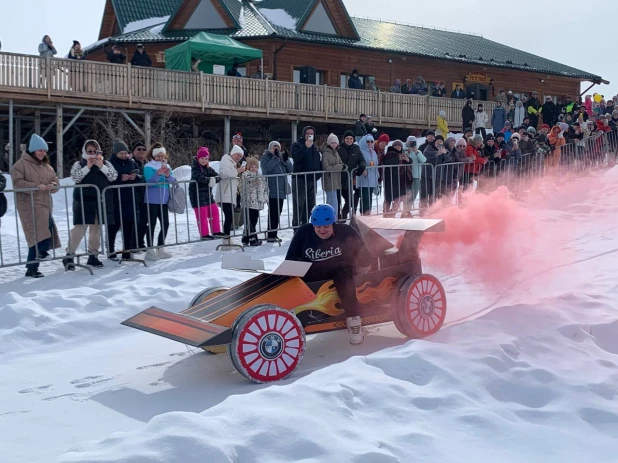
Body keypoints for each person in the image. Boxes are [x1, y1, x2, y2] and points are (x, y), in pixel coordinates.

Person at [285, 204, 372, 345]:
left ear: (333, 224)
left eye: (326, 226)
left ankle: (354, 321)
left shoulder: (346, 232)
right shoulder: (303, 233)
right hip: (313, 275)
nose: (322, 230)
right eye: (318, 226)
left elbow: (364, 254)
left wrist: (362, 273)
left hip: (341, 275)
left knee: (341, 269)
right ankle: (290, 316)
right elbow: (290, 261)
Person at [11, 134, 62, 278]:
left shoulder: (47, 167)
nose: (42, 153)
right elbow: (17, 183)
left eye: (44, 151)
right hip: (29, 205)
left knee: (39, 233)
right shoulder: (20, 165)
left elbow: (56, 182)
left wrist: (52, 185)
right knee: (38, 233)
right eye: (39, 150)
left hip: (44, 204)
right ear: (32, 150)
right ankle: (41, 253)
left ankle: (32, 267)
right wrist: (35, 187)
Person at [65, 140, 117, 269]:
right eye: (90, 151)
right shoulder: (79, 164)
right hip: (83, 201)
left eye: (95, 151)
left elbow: (113, 176)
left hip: (100, 201)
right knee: (79, 229)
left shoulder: (106, 163)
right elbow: (75, 177)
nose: (93, 154)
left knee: (96, 230)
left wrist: (102, 166)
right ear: (85, 152)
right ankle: (69, 255)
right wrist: (87, 167)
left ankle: (93, 255)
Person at [107, 140, 143, 260]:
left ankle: (127, 251)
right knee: (114, 225)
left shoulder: (132, 163)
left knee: (129, 225)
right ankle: (111, 249)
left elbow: (140, 176)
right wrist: (119, 178)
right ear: (116, 153)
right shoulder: (110, 163)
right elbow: (108, 178)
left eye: (125, 153)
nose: (123, 155)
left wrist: (135, 177)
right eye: (120, 153)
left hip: (130, 198)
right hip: (115, 198)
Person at [143, 143, 176, 260]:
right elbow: (149, 181)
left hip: (164, 200)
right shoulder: (148, 166)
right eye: (158, 156)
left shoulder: (168, 166)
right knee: (151, 224)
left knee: (165, 224)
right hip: (151, 200)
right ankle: (150, 250)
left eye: (162, 156)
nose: (161, 158)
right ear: (153, 156)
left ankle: (160, 248)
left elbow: (173, 180)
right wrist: (158, 173)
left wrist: (167, 175)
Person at [260, 141, 292, 243]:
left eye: (278, 147)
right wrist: (275, 158)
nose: (276, 149)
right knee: (273, 212)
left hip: (281, 190)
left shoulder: (281, 157)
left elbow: (290, 170)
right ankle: (271, 234)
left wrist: (286, 160)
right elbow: (266, 169)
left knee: (278, 212)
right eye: (274, 147)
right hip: (271, 189)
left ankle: (273, 233)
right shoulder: (265, 157)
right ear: (270, 148)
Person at [291, 126, 321, 228]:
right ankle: (296, 227)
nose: (309, 135)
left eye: (311, 133)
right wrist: (305, 147)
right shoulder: (297, 145)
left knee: (310, 205)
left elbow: (317, 162)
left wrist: (318, 175)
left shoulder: (314, 147)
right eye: (307, 133)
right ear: (304, 134)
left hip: (311, 180)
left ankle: (305, 225)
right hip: (300, 180)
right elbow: (296, 158)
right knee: (299, 205)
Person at [189, 147, 222, 241]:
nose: (204, 160)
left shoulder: (208, 168)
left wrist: (214, 179)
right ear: (198, 158)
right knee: (202, 216)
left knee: (214, 212)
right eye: (202, 158)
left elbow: (218, 176)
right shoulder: (195, 168)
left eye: (206, 158)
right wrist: (209, 180)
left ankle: (216, 231)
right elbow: (198, 177)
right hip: (197, 196)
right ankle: (204, 234)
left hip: (207, 196)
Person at [217, 145, 245, 240]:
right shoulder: (226, 160)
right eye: (237, 155)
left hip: (230, 194)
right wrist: (237, 171)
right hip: (225, 193)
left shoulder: (233, 163)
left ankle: (227, 237)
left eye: (240, 156)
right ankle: (226, 238)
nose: (238, 157)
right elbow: (224, 174)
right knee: (229, 216)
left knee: (230, 217)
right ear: (233, 153)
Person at [240, 157, 268, 246]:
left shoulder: (260, 175)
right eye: (252, 167)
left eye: (255, 166)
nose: (253, 168)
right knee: (250, 220)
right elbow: (245, 184)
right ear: (248, 167)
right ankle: (252, 238)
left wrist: (265, 197)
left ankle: (245, 237)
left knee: (254, 219)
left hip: (257, 202)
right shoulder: (245, 174)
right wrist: (253, 180)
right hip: (248, 201)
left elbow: (264, 187)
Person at [338, 130, 366, 220]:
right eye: (347, 138)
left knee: (352, 198)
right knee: (343, 199)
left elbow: (362, 160)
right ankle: (340, 215)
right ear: (344, 139)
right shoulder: (339, 149)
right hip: (340, 179)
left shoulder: (356, 149)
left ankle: (346, 215)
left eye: (351, 138)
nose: (349, 140)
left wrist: (362, 166)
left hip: (351, 178)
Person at [382, 140, 411, 217]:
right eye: (396, 146)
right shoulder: (389, 153)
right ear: (393, 146)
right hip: (390, 180)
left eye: (399, 146)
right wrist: (398, 158)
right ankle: (385, 215)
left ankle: (391, 214)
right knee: (388, 199)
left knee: (397, 199)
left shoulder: (403, 154)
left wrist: (408, 160)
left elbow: (409, 162)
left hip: (400, 180)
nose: (398, 147)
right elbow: (387, 162)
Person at [320, 133, 345, 214]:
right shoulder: (325, 153)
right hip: (329, 180)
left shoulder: (336, 152)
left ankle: (334, 218)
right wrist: (339, 167)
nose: (334, 144)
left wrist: (341, 166)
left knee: (335, 200)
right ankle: (330, 218)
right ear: (329, 143)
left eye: (335, 143)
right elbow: (326, 168)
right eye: (332, 143)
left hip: (336, 180)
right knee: (331, 200)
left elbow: (343, 164)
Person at [131, 141, 149, 250]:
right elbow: (139, 177)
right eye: (139, 149)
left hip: (145, 196)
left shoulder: (147, 163)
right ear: (133, 152)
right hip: (134, 196)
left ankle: (140, 243)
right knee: (135, 222)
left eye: (143, 149)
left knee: (144, 221)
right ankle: (134, 243)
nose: (141, 151)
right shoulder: (131, 162)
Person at [356, 134, 379, 215]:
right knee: (365, 197)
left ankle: (368, 212)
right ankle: (363, 213)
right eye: (368, 141)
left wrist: (377, 177)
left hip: (372, 178)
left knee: (369, 197)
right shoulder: (360, 151)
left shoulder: (374, 152)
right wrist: (364, 169)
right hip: (364, 179)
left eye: (371, 141)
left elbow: (376, 165)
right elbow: (358, 163)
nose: (370, 143)